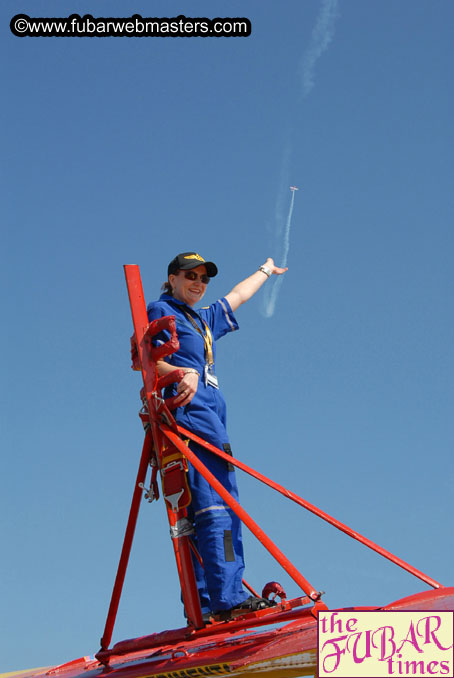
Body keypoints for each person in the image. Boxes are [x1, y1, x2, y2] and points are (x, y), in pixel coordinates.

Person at [147, 251, 287, 620]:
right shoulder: (162, 311)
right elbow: (144, 357)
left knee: (214, 506)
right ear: (172, 278)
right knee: (215, 507)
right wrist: (178, 372)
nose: (198, 282)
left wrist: (265, 271)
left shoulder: (201, 318)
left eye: (204, 278)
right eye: (190, 275)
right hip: (189, 414)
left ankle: (210, 603)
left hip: (212, 414)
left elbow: (237, 297)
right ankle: (227, 599)